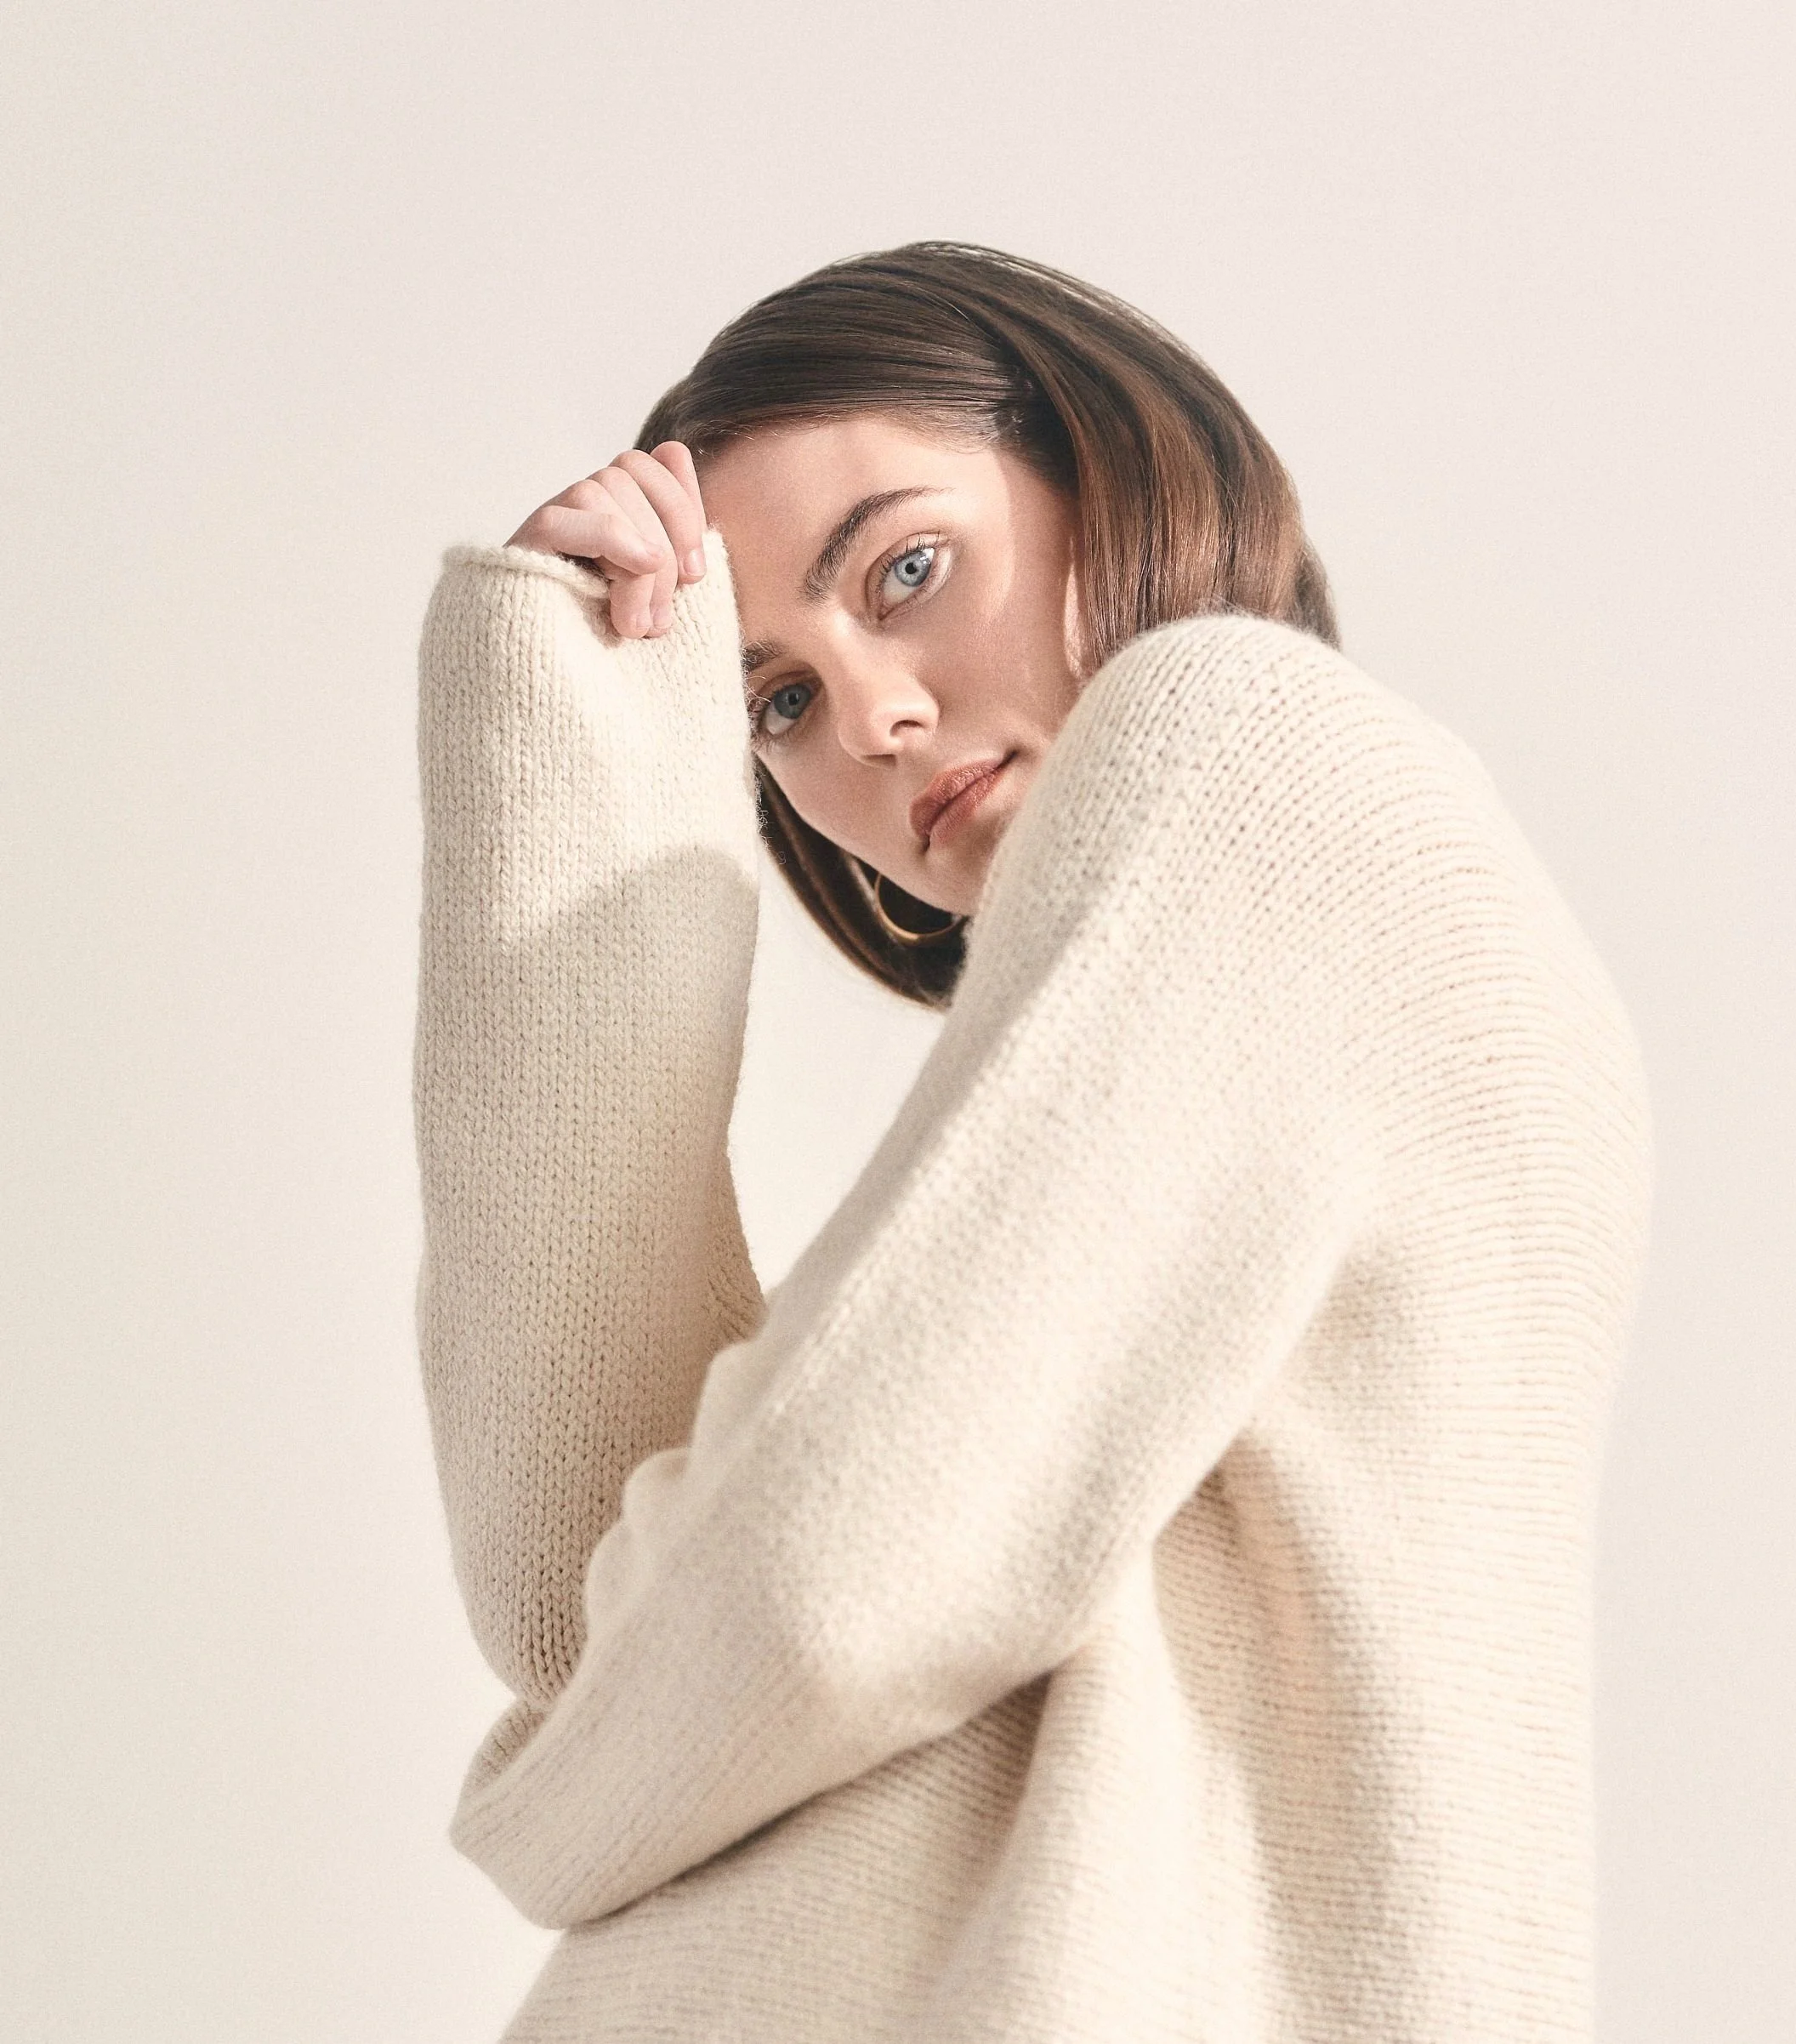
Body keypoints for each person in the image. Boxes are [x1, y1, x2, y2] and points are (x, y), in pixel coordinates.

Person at [411, 241, 1655, 2042]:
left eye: (905, 570)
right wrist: (579, 736)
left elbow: (811, 1587)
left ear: (1105, 459)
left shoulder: (1265, 753)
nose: (871, 718)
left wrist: (552, 1811)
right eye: (773, 701)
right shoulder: (1273, 925)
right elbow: (581, 1617)